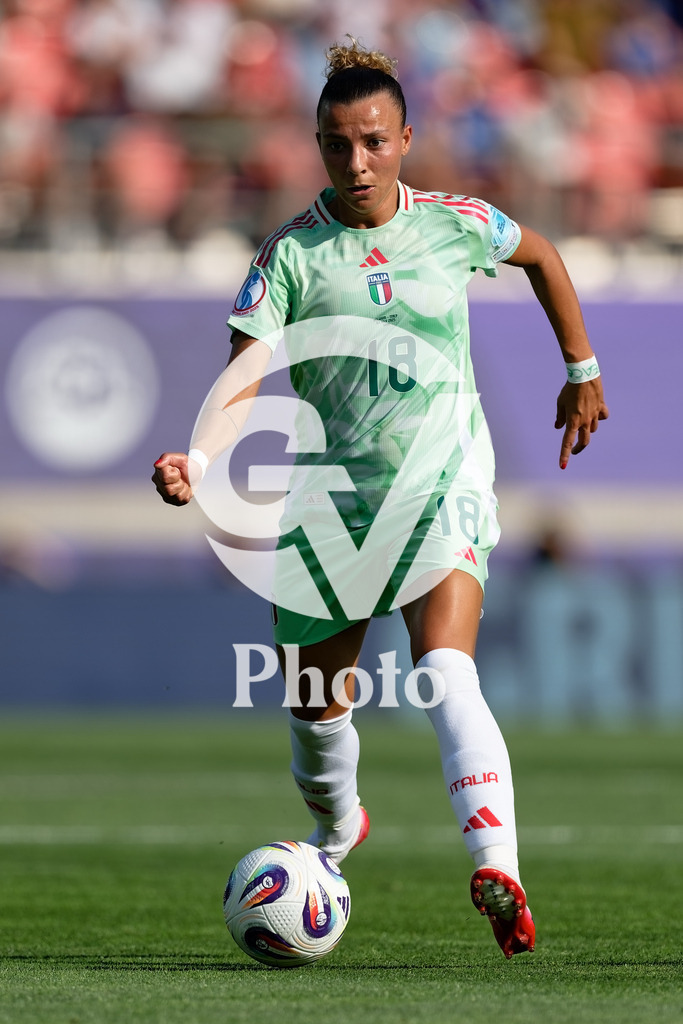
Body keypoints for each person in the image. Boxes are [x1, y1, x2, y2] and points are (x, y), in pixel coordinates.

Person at [152, 38, 608, 960]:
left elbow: (545, 257)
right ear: (318, 146)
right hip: (331, 504)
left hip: (442, 484)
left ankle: (500, 870)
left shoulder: (453, 222)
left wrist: (582, 368)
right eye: (334, 145)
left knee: (443, 671)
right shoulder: (289, 255)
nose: (353, 162)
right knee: (316, 711)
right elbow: (244, 376)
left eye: (370, 141)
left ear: (404, 136)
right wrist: (200, 463)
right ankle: (337, 830)